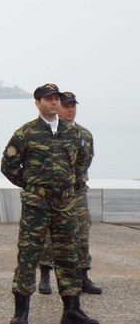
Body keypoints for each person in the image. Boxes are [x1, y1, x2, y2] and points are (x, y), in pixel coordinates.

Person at [2, 83, 99, 324]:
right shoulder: (26, 133)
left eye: (56, 98)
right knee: (28, 256)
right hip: (37, 205)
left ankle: (72, 310)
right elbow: (9, 165)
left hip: (66, 205)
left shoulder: (73, 133)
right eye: (48, 99)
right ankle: (21, 312)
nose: (54, 103)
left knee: (69, 256)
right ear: (38, 103)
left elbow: (81, 163)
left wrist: (67, 184)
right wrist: (32, 185)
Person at [37, 92, 101, 295]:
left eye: (73, 106)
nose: (70, 109)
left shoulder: (84, 134)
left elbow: (85, 161)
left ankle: (83, 276)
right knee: (49, 235)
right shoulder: (49, 132)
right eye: (67, 106)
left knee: (82, 233)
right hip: (54, 193)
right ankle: (46, 275)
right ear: (59, 108)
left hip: (77, 191)